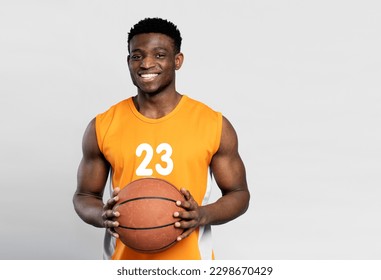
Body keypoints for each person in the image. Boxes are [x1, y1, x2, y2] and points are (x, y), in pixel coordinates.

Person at [73, 17, 250, 260]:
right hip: (123, 264)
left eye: (159, 55)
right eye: (137, 56)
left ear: (177, 61)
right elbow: (84, 196)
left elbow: (239, 193)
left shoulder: (213, 124)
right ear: (129, 62)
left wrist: (202, 215)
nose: (146, 63)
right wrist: (101, 215)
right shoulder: (102, 125)